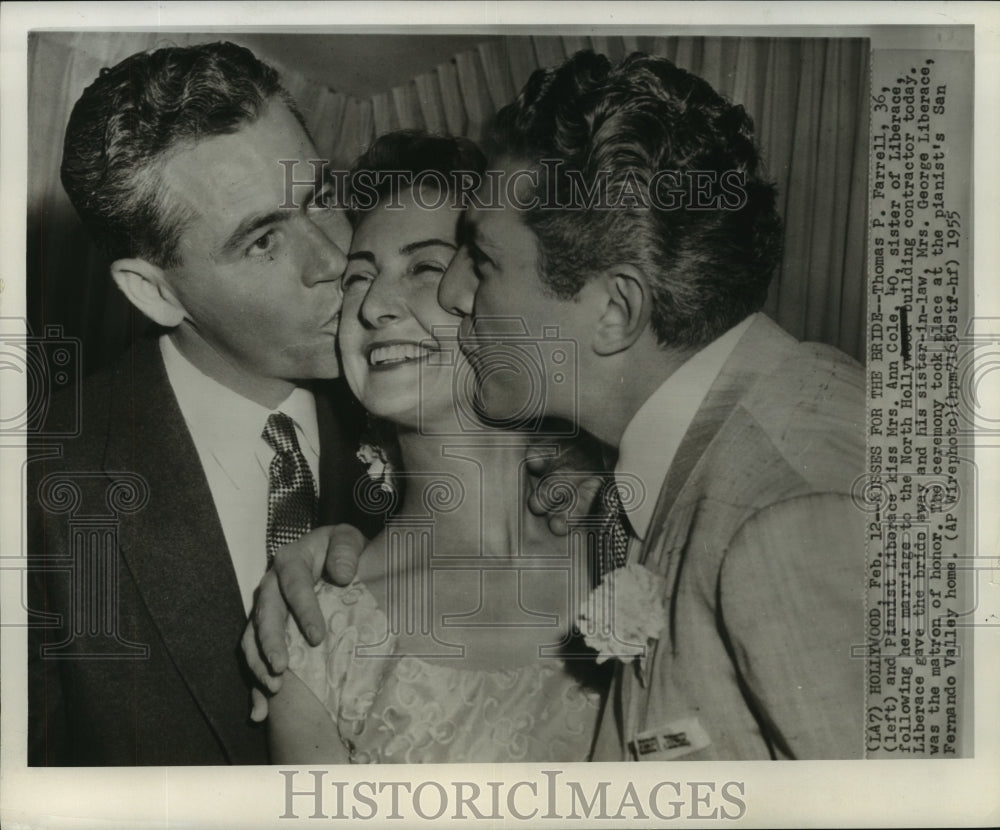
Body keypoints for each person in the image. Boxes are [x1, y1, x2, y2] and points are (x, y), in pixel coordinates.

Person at [255, 50, 866, 761]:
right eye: (360, 278)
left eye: (473, 261)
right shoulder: (663, 484)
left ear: (616, 309)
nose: (453, 293)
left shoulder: (766, 511)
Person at [27, 41, 374, 766]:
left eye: (320, 200)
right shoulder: (36, 494)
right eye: (262, 241)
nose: (332, 261)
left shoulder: (433, 411)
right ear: (153, 291)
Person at [267, 131, 606, 764]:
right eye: (357, 279)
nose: (373, 307)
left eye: (425, 268)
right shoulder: (321, 627)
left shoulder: (634, 535)